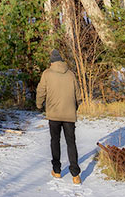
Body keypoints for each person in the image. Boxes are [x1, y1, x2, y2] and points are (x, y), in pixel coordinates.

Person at [35, 49, 81, 184]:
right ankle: (75, 175)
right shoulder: (71, 74)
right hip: (69, 114)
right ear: (61, 61)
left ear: (51, 62)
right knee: (71, 142)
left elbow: (41, 90)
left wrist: (39, 104)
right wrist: (75, 106)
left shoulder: (47, 74)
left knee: (55, 141)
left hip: (54, 114)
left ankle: (57, 171)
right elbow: (78, 94)